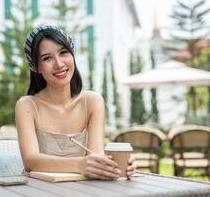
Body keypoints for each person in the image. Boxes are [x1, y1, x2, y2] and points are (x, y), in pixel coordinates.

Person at [15, 24, 135, 180]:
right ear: (36, 66)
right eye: (47, 58)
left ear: (72, 55)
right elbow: (31, 161)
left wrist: (117, 164)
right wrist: (80, 165)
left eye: (63, 53)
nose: (59, 64)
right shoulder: (27, 106)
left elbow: (95, 156)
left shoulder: (92, 102)